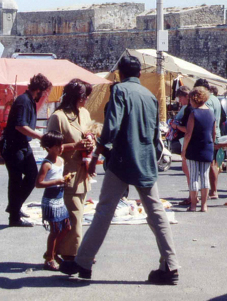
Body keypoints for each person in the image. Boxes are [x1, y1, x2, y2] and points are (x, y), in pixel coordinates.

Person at [60, 55, 180, 284]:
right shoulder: (150, 96)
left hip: (122, 160)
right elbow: (156, 133)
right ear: (140, 75)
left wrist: (98, 150)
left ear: (119, 74)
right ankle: (171, 265)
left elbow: (112, 125)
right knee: (156, 212)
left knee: (104, 211)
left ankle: (83, 262)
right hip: (145, 160)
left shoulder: (119, 91)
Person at [47, 79, 93, 260]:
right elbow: (50, 146)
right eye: (83, 96)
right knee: (73, 219)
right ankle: (71, 254)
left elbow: (90, 133)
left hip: (84, 173)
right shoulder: (58, 117)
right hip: (66, 174)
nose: (86, 99)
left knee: (77, 217)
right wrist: (75, 145)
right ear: (75, 96)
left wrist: (90, 143)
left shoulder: (85, 113)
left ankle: (57, 252)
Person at [1, 73, 52, 227]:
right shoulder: (24, 101)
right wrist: (40, 137)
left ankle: (14, 207)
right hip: (13, 146)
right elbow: (20, 126)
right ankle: (14, 216)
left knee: (32, 176)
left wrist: (40, 132)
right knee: (17, 180)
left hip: (22, 145)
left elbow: (27, 125)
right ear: (38, 90)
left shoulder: (28, 101)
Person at [35, 131, 72, 271]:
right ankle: (49, 259)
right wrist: (57, 181)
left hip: (59, 199)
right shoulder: (47, 164)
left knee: (67, 227)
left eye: (61, 145)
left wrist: (65, 180)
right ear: (49, 147)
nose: (61, 148)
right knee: (55, 231)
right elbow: (38, 183)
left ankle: (52, 252)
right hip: (50, 200)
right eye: (57, 146)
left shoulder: (60, 160)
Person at [182, 86, 216, 212]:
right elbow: (213, 133)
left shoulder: (193, 114)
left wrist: (184, 150)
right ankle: (204, 205)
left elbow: (188, 134)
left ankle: (193, 205)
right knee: (205, 176)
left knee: (194, 177)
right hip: (207, 147)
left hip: (194, 148)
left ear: (194, 99)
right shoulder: (211, 112)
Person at [194, 79, 222, 199]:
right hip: (215, 134)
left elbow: (209, 120)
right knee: (213, 164)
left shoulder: (208, 101)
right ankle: (212, 190)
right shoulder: (215, 99)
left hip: (210, 135)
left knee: (210, 165)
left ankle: (213, 191)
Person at [171, 86, 192, 205]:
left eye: (180, 97)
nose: (180, 100)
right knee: (187, 169)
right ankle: (191, 195)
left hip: (187, 141)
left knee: (188, 169)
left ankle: (192, 196)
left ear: (186, 96)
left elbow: (188, 129)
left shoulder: (189, 109)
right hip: (186, 140)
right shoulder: (188, 108)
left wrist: (176, 126)